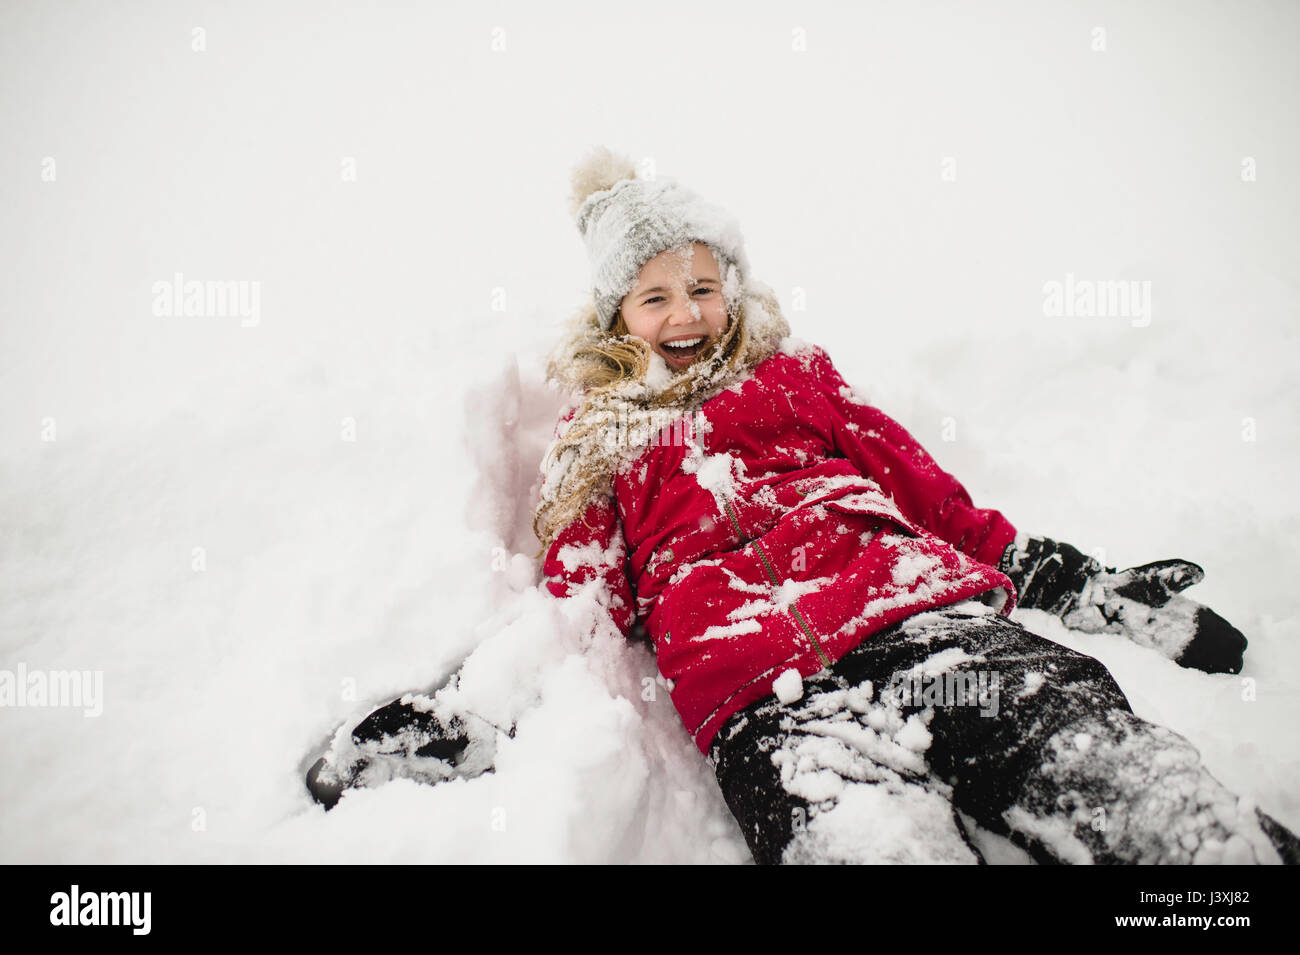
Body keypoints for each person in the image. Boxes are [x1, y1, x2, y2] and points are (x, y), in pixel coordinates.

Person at [305, 146, 1299, 865]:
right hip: (769, 711)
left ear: (732, 287)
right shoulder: (600, 442)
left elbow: (929, 495)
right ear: (616, 317)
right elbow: (580, 601)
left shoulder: (794, 376)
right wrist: (473, 709)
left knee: (1142, 802)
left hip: (930, 636)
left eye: (703, 285)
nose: (685, 313)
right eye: (653, 297)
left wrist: (1076, 580)